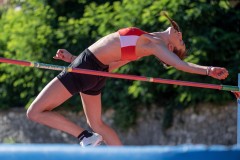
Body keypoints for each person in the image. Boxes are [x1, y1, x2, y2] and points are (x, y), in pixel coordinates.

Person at [26, 13, 229, 147]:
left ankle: (83, 136)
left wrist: (209, 70)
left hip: (87, 68)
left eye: (181, 42)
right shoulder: (147, 41)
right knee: (97, 124)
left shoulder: (153, 46)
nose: (181, 35)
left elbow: (180, 65)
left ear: (170, 49)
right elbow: (110, 62)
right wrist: (73, 60)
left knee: (34, 112)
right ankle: (123, 156)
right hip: (93, 70)